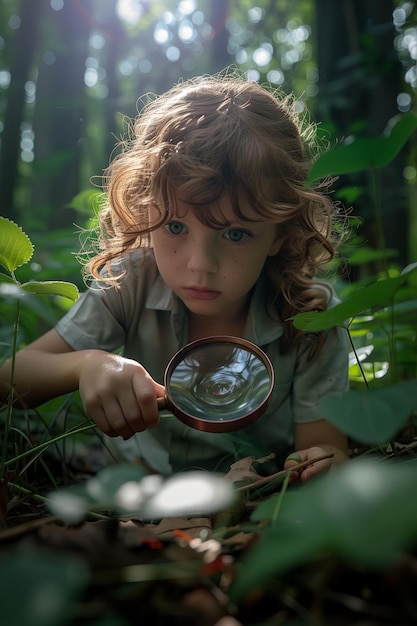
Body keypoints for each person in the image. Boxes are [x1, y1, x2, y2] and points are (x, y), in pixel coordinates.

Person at [0, 73, 349, 482]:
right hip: (127, 495)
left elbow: (325, 450)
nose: (200, 264)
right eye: (176, 228)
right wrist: (87, 365)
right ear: (146, 214)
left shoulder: (312, 317)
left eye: (236, 234)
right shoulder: (131, 281)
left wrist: (317, 465)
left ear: (281, 234)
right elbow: (10, 379)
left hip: (256, 499)